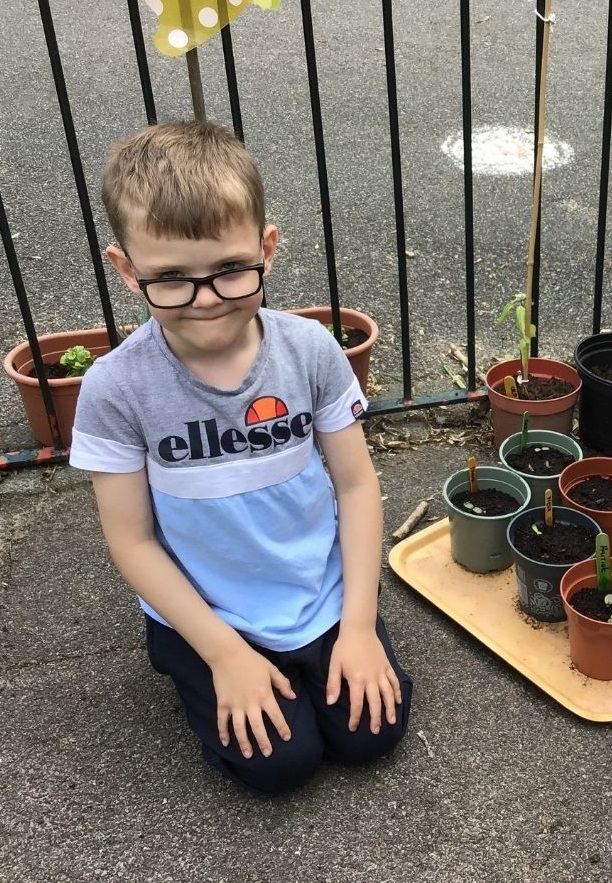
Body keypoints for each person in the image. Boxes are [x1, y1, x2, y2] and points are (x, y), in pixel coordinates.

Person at [69, 120, 410, 795]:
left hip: (318, 594)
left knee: (370, 735)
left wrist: (361, 624)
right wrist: (224, 652)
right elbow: (132, 541)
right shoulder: (117, 388)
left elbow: (355, 488)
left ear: (267, 247)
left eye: (230, 269)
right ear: (126, 269)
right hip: (209, 612)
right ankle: (198, 665)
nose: (205, 301)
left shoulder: (309, 352)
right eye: (171, 279)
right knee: (281, 765)